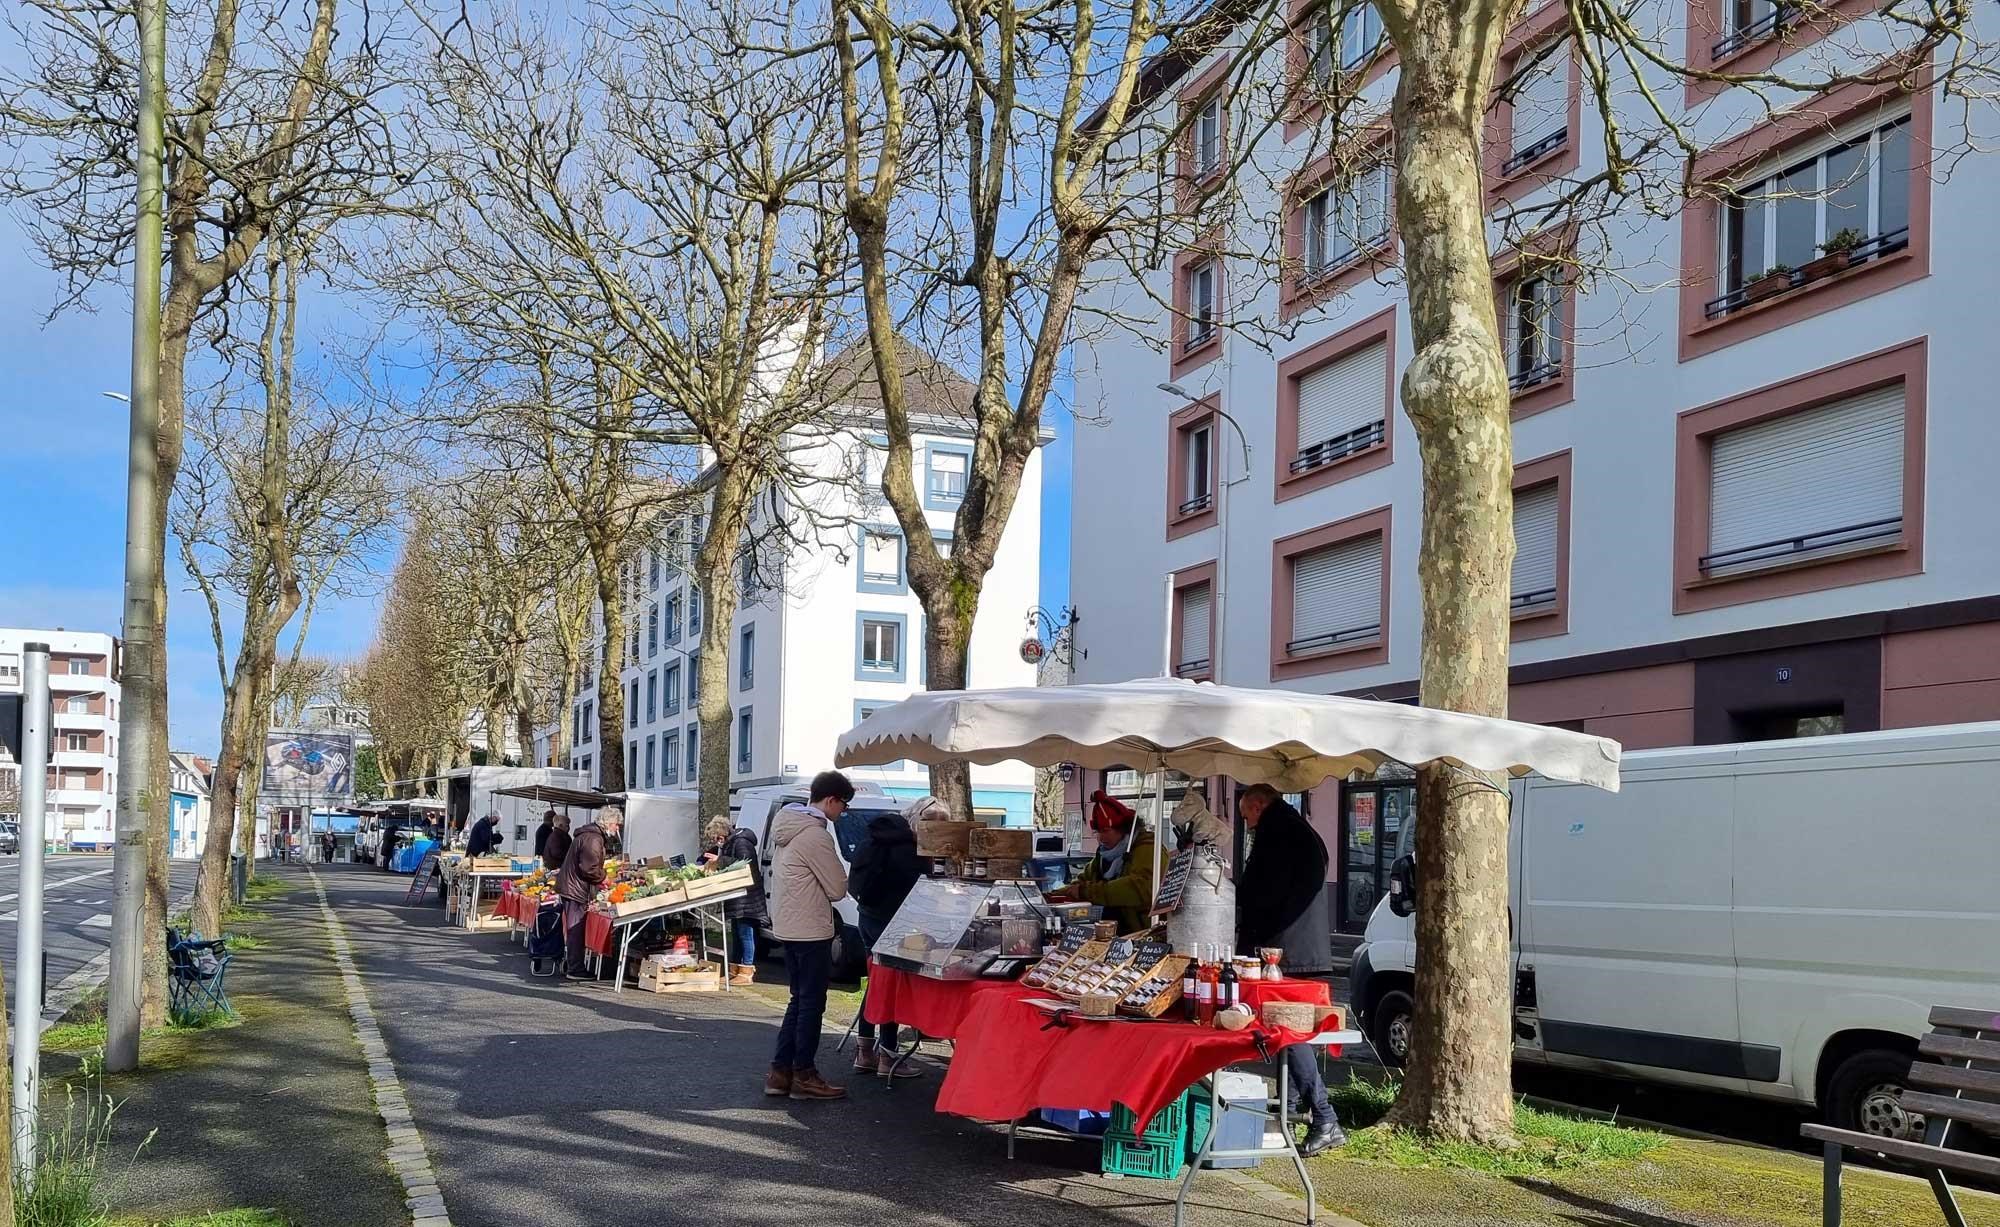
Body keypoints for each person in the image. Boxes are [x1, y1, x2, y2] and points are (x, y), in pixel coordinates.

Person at [1236, 783, 1345, 1156]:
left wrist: (1240, 911)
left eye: (1247, 815)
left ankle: (1324, 1115)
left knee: (1287, 1028)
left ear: (1258, 804)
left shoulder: (1277, 833)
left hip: (1285, 949)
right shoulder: (1298, 828)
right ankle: (1292, 1107)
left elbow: (1261, 891)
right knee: (1287, 1028)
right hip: (1298, 945)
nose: (1246, 824)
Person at [765, 771, 852, 1101]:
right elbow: (837, 888)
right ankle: (804, 1074)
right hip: (811, 929)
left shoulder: (787, 827)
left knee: (797, 1001)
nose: (843, 812)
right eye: (843, 805)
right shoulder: (815, 835)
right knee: (811, 1003)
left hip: (788, 926)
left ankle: (779, 1072)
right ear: (830, 800)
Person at [847, 796, 929, 1079]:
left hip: (866, 917)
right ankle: (889, 1056)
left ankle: (864, 1052)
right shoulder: (909, 849)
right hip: (894, 924)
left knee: (875, 982)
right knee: (890, 987)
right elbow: (921, 893)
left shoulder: (872, 839)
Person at [1053, 790, 1156, 933]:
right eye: (1097, 832)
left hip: (1143, 933)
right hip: (1111, 932)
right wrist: (1052, 895)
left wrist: (1087, 891)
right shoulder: (1103, 856)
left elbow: (1139, 888)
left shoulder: (1148, 849)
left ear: (1122, 829)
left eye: (1106, 830)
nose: (1100, 838)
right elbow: (1080, 883)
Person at [557, 805, 625, 982]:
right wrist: (604, 878)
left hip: (573, 887)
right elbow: (589, 868)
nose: (617, 828)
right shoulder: (593, 839)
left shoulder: (589, 836)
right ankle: (575, 969)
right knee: (575, 929)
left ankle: (573, 964)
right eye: (616, 824)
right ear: (608, 823)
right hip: (575, 889)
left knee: (575, 929)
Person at [704, 815, 766, 986]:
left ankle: (746, 971)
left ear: (723, 834)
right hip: (738, 895)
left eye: (717, 839)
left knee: (746, 933)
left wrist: (721, 861)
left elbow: (745, 864)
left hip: (748, 896)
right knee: (737, 934)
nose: (717, 842)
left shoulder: (741, 843)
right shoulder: (731, 842)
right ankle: (734, 970)